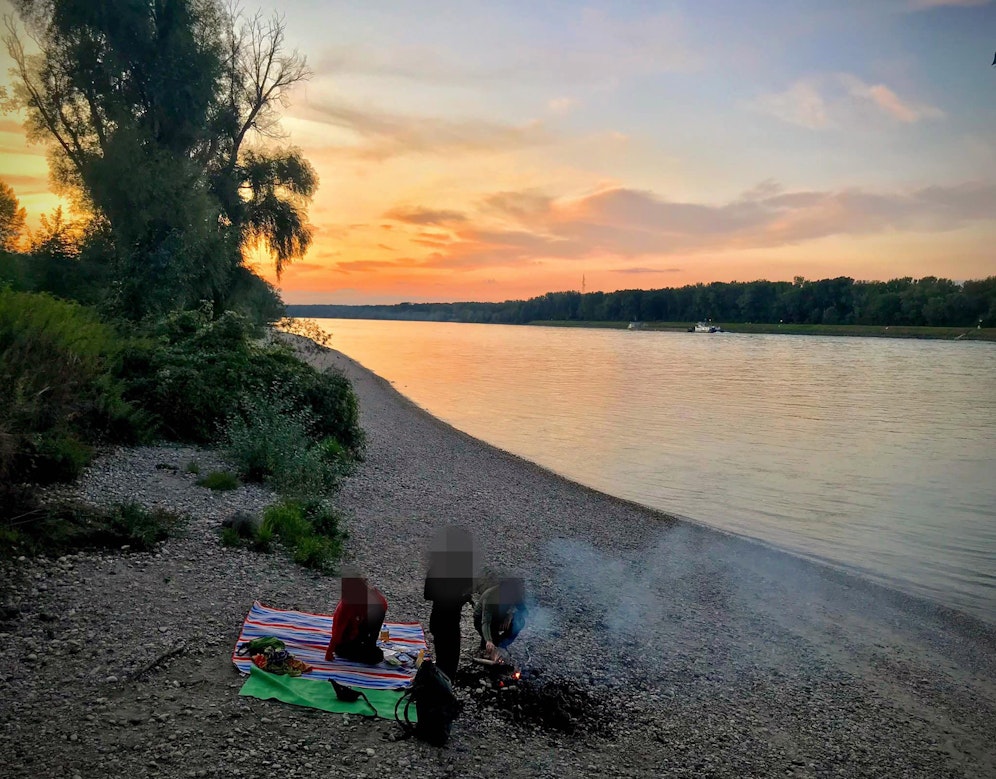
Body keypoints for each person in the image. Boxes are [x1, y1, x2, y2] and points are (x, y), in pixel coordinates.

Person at [423, 527, 475, 680]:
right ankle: (440, 693)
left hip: (451, 621)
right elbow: (428, 594)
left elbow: (468, 586)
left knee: (449, 663)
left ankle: (441, 691)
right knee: (446, 664)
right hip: (442, 621)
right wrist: (460, 598)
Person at [325, 571, 388, 665]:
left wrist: (370, 644)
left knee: (373, 653)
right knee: (375, 657)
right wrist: (329, 651)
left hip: (360, 629)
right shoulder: (347, 604)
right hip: (346, 639)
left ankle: (368, 647)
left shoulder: (376, 600)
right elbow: (338, 630)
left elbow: (376, 623)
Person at [473, 577, 527, 662]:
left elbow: (524, 611)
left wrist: (511, 615)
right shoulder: (490, 596)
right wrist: (489, 640)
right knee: (489, 647)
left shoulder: (514, 594)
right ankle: (492, 642)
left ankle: (502, 644)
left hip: (499, 618)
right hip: (482, 620)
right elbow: (485, 622)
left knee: (520, 621)